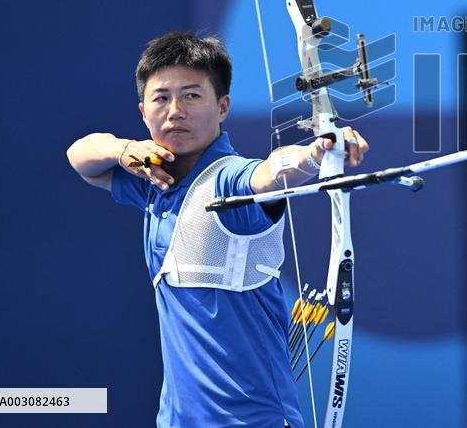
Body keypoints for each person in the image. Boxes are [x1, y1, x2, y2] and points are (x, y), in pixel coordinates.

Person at [66, 31, 368, 428]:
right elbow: (80, 156)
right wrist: (124, 151)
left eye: (192, 95)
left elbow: (269, 172)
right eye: (161, 98)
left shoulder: (230, 179)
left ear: (222, 106)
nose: (175, 110)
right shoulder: (153, 179)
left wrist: (317, 153)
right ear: (143, 111)